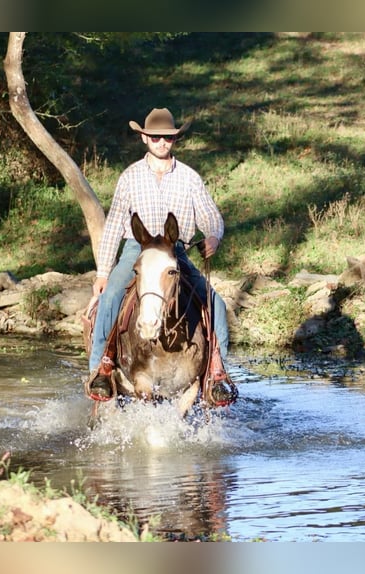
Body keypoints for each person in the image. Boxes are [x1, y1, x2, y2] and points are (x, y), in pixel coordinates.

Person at [86, 107, 234, 406]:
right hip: (136, 250)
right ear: (145, 139)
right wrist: (103, 272)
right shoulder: (129, 177)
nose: (161, 142)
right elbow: (114, 224)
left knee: (214, 302)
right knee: (112, 295)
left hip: (175, 252)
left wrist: (214, 237)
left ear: (174, 140)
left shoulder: (190, 178)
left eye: (167, 137)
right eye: (155, 137)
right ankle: (100, 367)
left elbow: (210, 215)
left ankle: (216, 372)